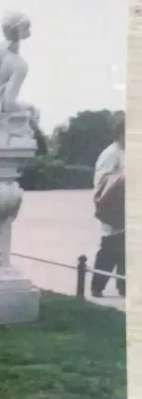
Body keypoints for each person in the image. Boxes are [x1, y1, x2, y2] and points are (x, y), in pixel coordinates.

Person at [91, 111, 126, 298]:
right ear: (120, 134)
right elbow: (102, 181)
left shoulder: (126, 152)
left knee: (126, 249)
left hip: (126, 207)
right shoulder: (110, 153)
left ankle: (124, 286)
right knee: (109, 250)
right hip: (112, 207)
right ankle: (97, 286)